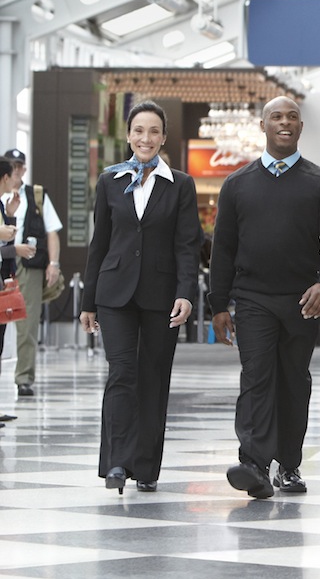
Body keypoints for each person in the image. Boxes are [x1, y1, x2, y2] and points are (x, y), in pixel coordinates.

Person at [209, 96, 320, 498]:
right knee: (256, 377)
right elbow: (224, 248)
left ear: (301, 127)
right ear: (263, 126)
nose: (284, 123)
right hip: (252, 298)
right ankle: (253, 462)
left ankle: (289, 464)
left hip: (303, 300)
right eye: (276, 117)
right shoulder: (237, 185)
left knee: (293, 381)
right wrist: (219, 305)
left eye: (291, 117)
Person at [78, 102, 202, 494]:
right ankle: (116, 462)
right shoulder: (109, 180)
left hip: (161, 295)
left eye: (153, 131)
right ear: (129, 135)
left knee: (153, 377)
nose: (145, 138)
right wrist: (88, 300)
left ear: (164, 138)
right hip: (115, 293)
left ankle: (146, 465)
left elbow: (187, 245)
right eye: (139, 131)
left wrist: (186, 292)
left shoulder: (180, 183)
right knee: (121, 373)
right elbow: (99, 244)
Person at [1, 148, 63, 397]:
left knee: (27, 324)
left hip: (28, 266)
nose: (16, 171)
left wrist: (54, 264)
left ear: (24, 169)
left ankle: (23, 377)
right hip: (7, 263)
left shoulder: (35, 195)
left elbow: (52, 232)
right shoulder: (4, 198)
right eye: (11, 167)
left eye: (19, 166)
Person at [0, 159, 36, 425]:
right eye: (11, 175)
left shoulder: (2, 204)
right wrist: (16, 249)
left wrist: (10, 215)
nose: (14, 180)